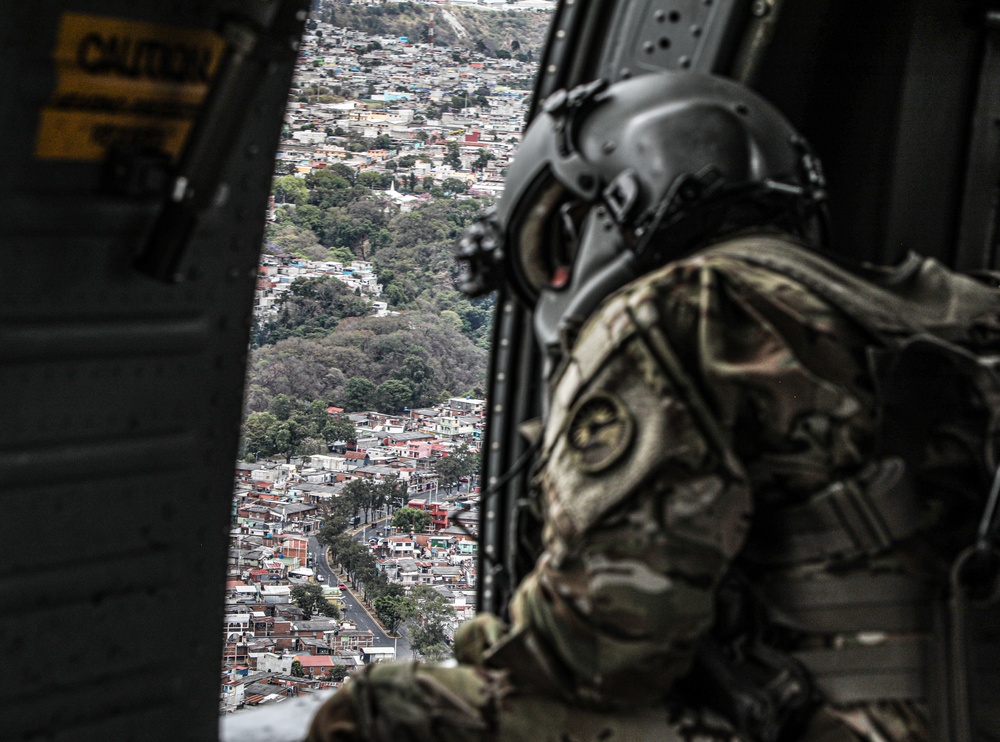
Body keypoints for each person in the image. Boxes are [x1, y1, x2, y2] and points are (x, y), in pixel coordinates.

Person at [308, 71, 1000, 742]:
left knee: (384, 710)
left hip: (839, 722)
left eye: (558, 247)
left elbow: (602, 654)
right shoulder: (956, 310)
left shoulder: (677, 313)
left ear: (618, 200)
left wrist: (490, 641)